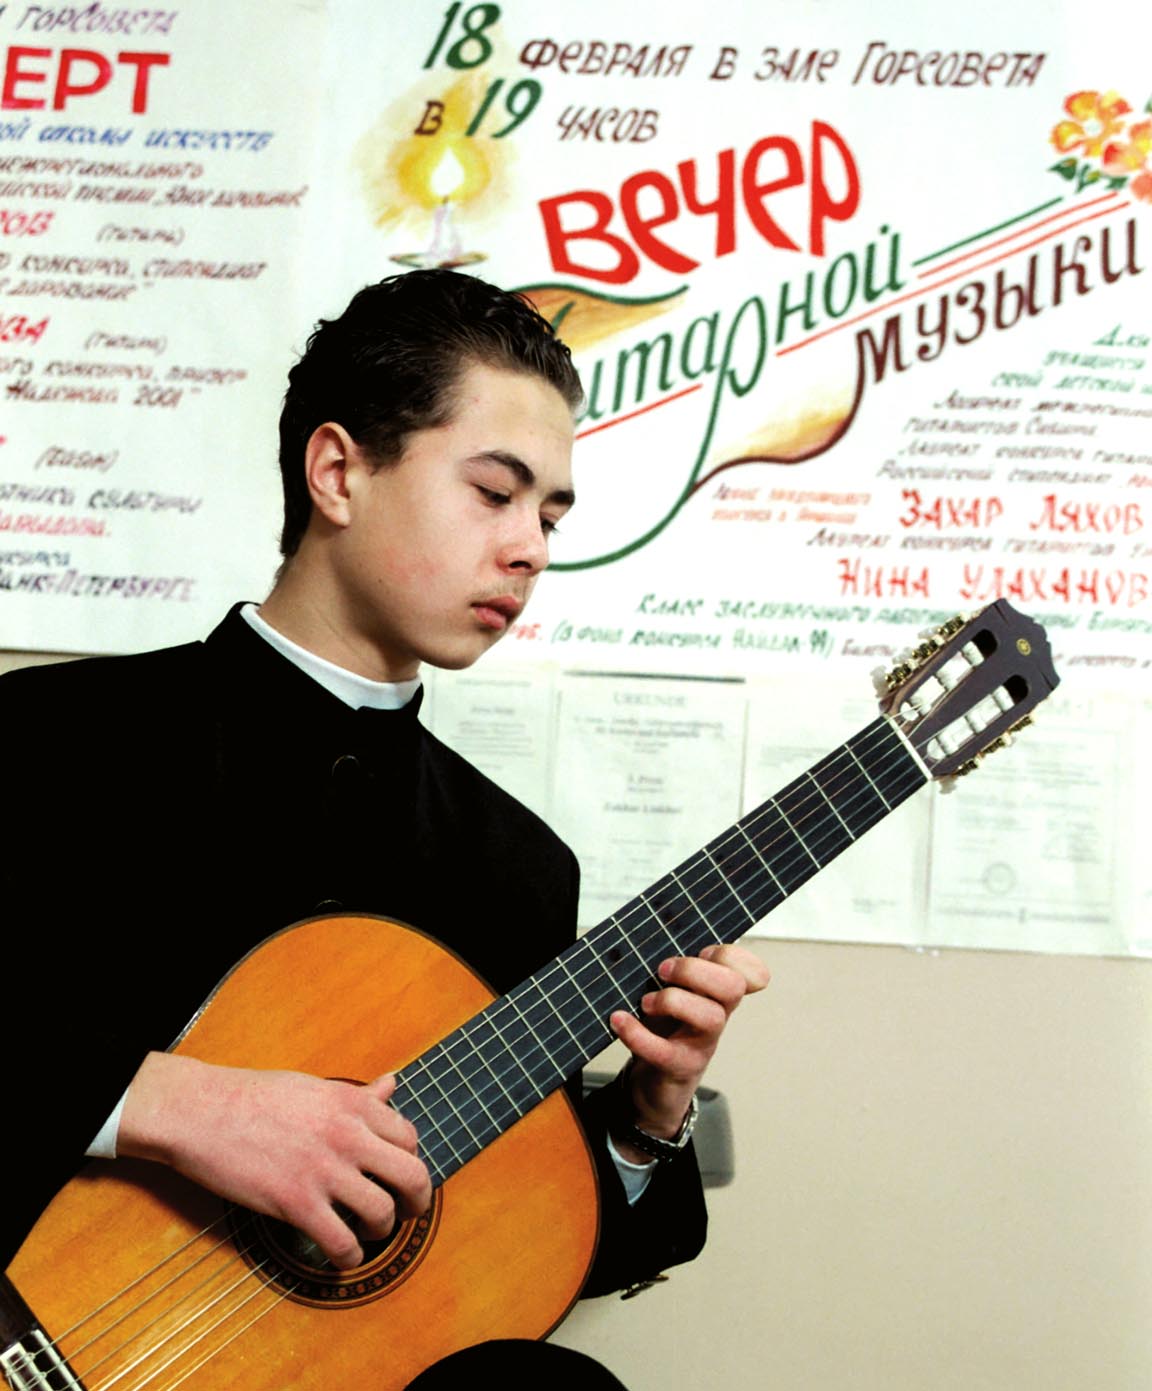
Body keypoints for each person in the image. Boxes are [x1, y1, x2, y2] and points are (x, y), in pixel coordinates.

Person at [0, 269, 768, 1384]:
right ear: (338, 473)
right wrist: (166, 1103)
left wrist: (648, 1117)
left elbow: (506, 1254)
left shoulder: (517, 867)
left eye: (550, 516)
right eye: (495, 492)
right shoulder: (48, 737)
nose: (532, 547)